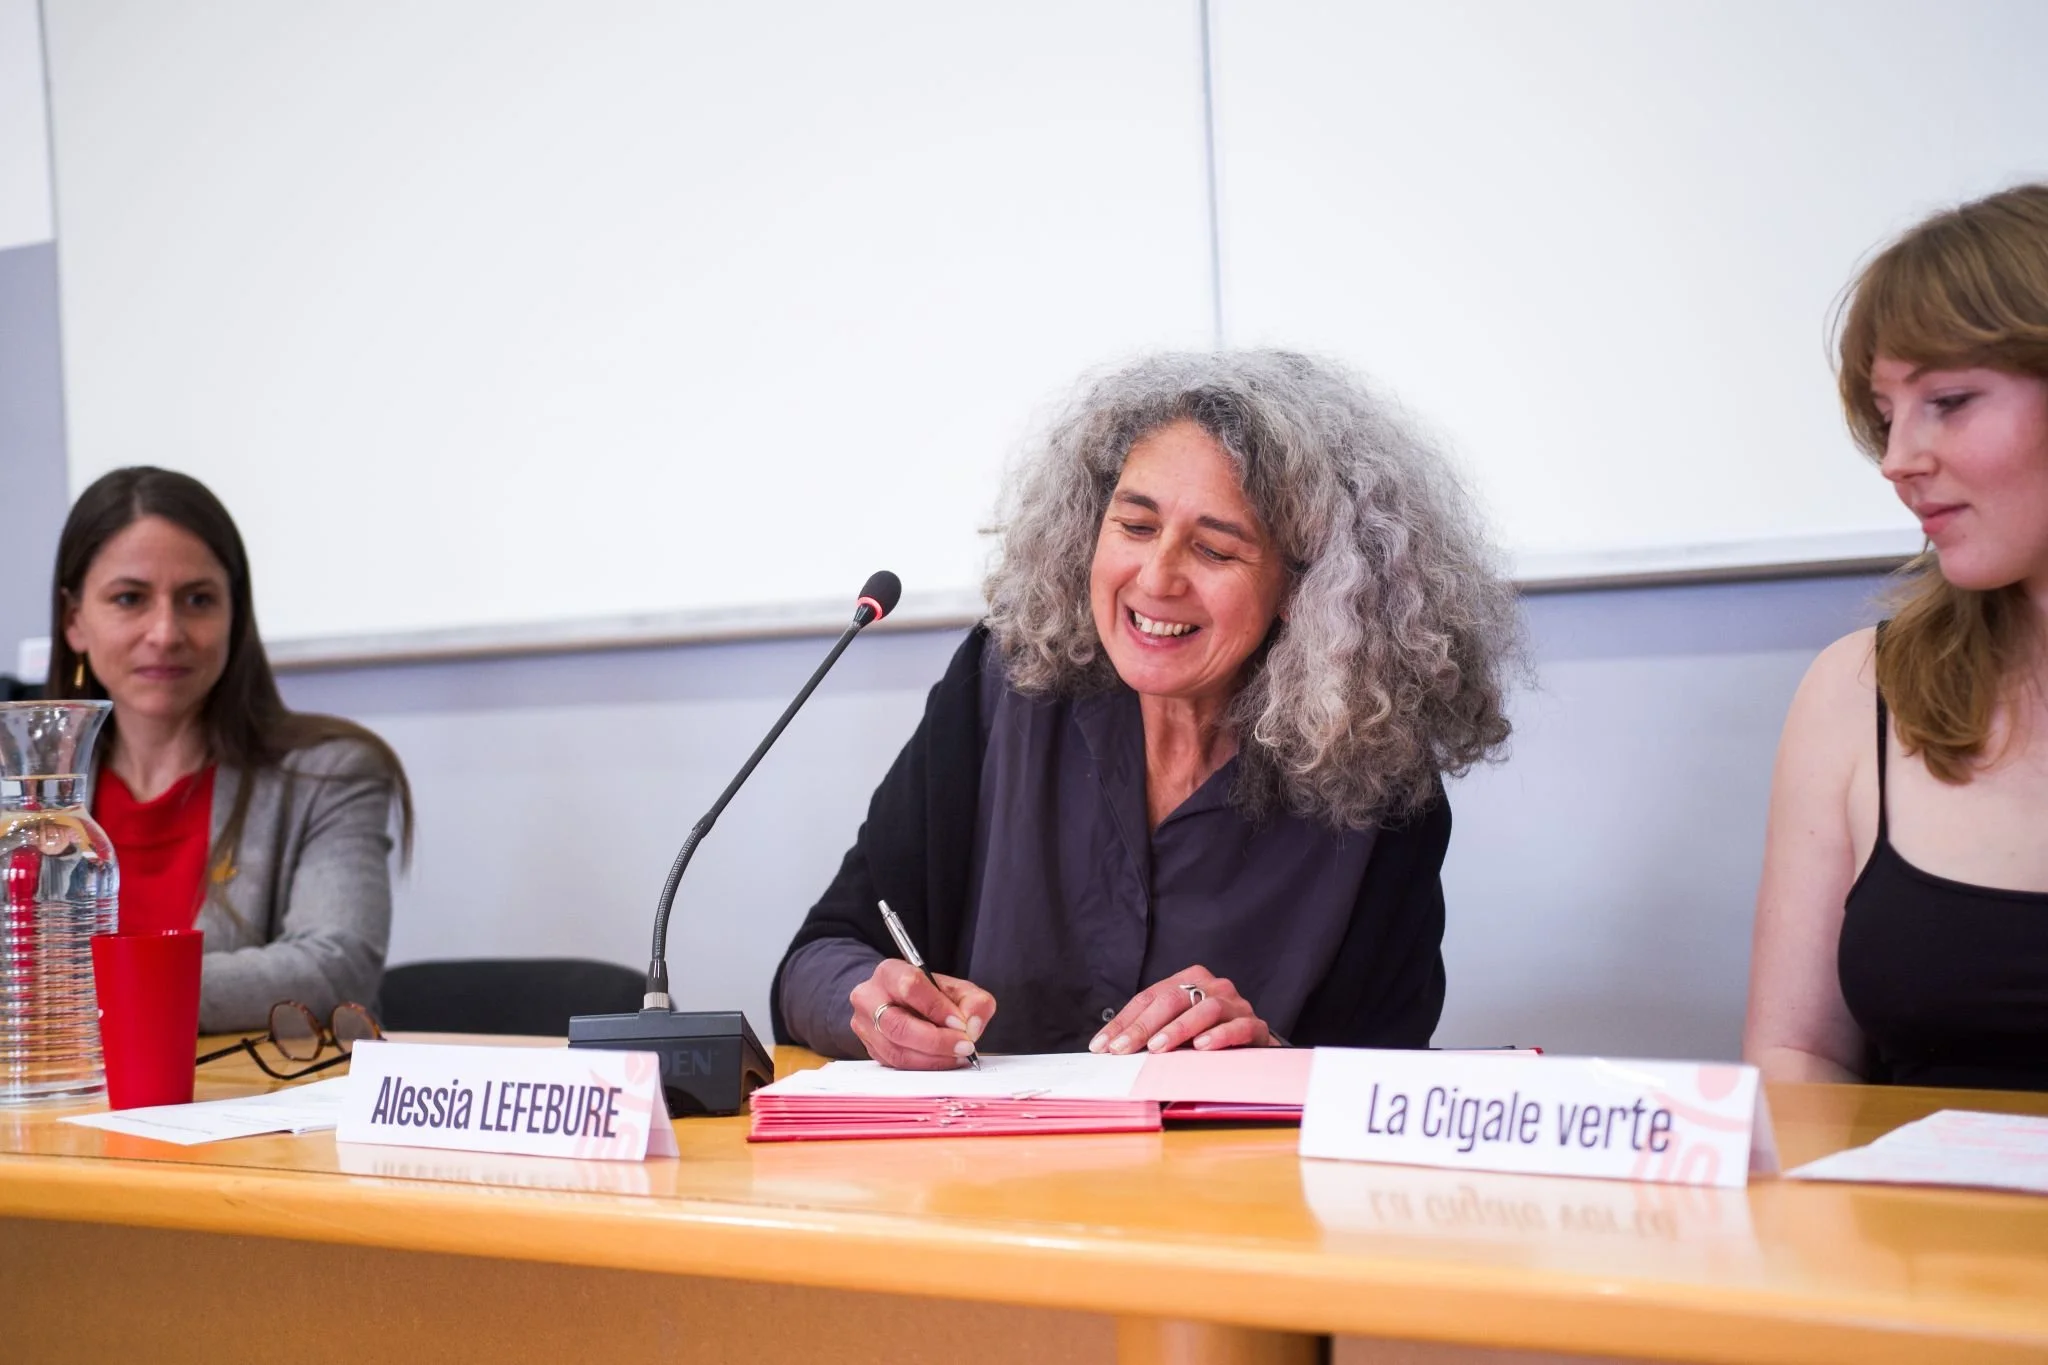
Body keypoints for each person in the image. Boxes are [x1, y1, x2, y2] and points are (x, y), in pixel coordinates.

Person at [773, 351, 1518, 1067]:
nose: (1157, 577)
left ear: (1306, 587)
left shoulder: (1380, 779)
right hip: (992, 1191)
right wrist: (873, 1007)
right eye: (1134, 526)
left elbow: (1384, 1081)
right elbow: (818, 958)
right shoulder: (1003, 681)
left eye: (1216, 549)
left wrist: (1269, 1060)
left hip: (1227, 1198)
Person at [1745, 184, 2048, 1091]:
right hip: (1908, 1232)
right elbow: (1797, 1055)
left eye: (1949, 400)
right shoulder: (1859, 689)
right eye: (1887, 415)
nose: (1897, 459)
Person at [48, 466, 412, 1033]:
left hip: (254, 1117)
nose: (166, 632)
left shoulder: (330, 773)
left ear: (234, 614)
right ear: (76, 621)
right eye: (129, 598)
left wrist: (80, 993)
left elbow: (335, 971)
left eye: (197, 599)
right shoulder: (22, 795)